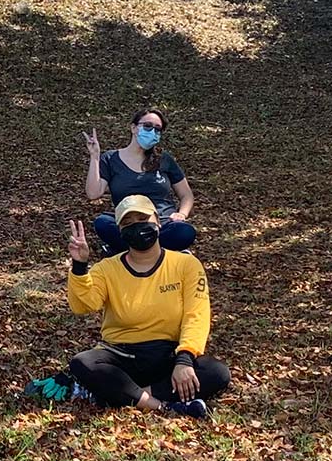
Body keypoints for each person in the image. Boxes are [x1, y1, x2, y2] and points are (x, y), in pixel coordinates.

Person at [64, 196, 229, 418]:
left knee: (216, 372)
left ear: (158, 222)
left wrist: (184, 360)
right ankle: (163, 406)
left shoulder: (186, 265)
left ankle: (125, 396)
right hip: (121, 356)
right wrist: (80, 266)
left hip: (168, 356)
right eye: (128, 223)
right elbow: (83, 305)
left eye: (142, 218)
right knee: (83, 363)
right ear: (120, 230)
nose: (137, 226)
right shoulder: (107, 268)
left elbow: (196, 315)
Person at [82, 108, 196, 255]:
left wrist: (182, 214)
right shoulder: (110, 159)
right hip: (129, 224)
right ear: (134, 128)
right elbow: (93, 193)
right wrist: (95, 156)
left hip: (163, 224)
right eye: (148, 126)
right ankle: (161, 252)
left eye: (157, 129)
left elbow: (187, 195)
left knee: (185, 232)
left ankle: (126, 250)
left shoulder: (163, 159)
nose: (152, 132)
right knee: (103, 223)